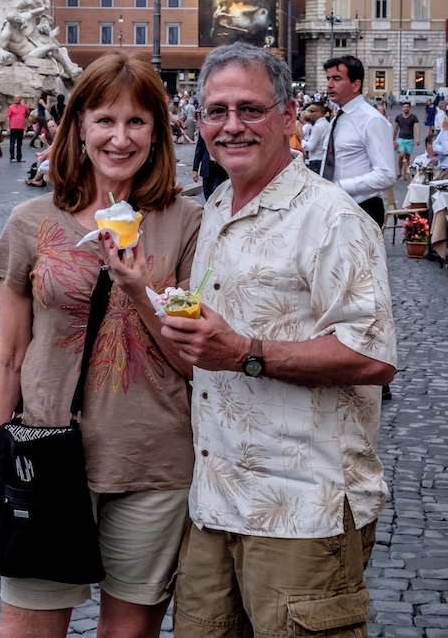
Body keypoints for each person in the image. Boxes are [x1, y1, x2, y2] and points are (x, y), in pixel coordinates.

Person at [160, 42, 396, 638]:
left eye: (250, 109)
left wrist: (244, 353)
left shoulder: (332, 217)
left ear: (289, 117)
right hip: (214, 501)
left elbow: (372, 358)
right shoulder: (214, 205)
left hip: (303, 510)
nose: (231, 126)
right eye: (216, 111)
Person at [0, 51, 202, 638]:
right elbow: (7, 357)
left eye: (136, 122)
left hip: (152, 464)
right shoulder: (31, 223)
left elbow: (191, 360)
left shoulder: (187, 224)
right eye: (105, 120)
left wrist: (138, 289)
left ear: (158, 132)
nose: (120, 138)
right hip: (47, 460)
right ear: (79, 125)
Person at [321, 55, 396, 229]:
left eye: (337, 78)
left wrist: (339, 186)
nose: (329, 84)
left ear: (356, 84)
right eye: (328, 78)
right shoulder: (338, 117)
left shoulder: (372, 120)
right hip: (336, 206)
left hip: (362, 209)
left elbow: (386, 175)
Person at [192, 131, 227, 200]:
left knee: (218, 192)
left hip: (221, 167)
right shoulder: (203, 130)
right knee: (207, 193)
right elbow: (199, 149)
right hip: (208, 166)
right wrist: (195, 169)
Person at [393, 101, 420, 180]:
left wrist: (418, 138)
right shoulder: (398, 117)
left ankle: (405, 173)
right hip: (400, 139)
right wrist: (393, 139)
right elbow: (396, 128)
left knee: (407, 158)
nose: (406, 109)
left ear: (409, 108)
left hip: (410, 140)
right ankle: (399, 172)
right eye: (404, 107)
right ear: (402, 108)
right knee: (401, 155)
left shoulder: (413, 117)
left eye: (407, 107)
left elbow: (417, 128)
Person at [303, 100, 330, 173]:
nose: (310, 114)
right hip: (323, 159)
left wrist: (301, 139)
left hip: (316, 160)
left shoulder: (318, 126)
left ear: (319, 113)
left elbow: (311, 147)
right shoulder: (327, 124)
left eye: (312, 111)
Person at [6, 94, 30, 164]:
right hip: (13, 127)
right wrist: (8, 127)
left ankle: (19, 157)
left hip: (21, 127)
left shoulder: (24, 107)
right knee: (12, 143)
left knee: (19, 143)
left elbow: (27, 115)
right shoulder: (11, 107)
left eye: (18, 98)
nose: (16, 100)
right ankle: (12, 157)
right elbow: (8, 117)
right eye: (15, 98)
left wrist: (26, 127)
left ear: (20, 99)